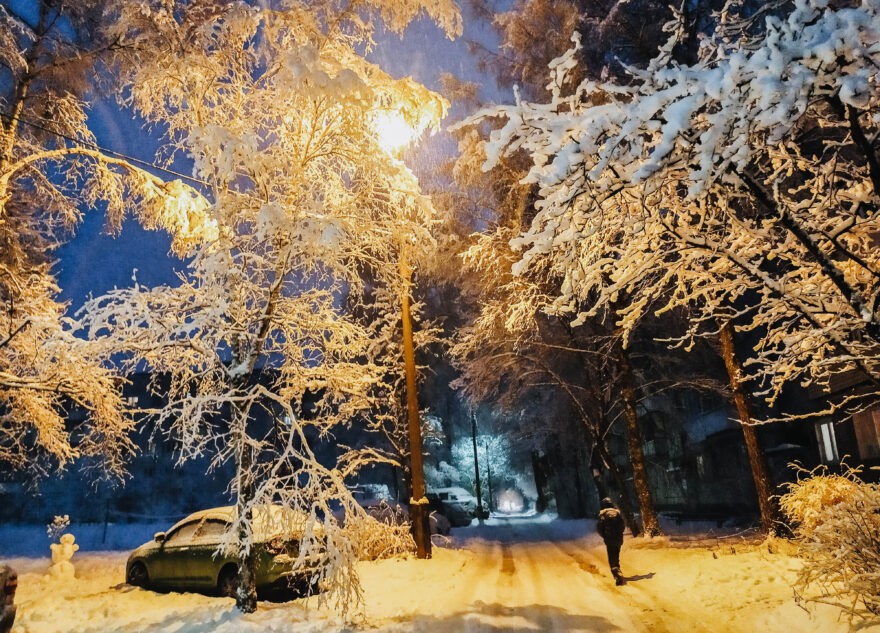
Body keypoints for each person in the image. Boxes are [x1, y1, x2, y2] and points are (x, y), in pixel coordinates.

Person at [597, 497, 626, 585]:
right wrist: (619, 534)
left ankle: (616, 573)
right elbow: (622, 526)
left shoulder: (603, 515)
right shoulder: (618, 514)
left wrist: (605, 536)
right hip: (618, 539)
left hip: (609, 539)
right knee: (616, 555)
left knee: (611, 556)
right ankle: (617, 569)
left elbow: (600, 528)